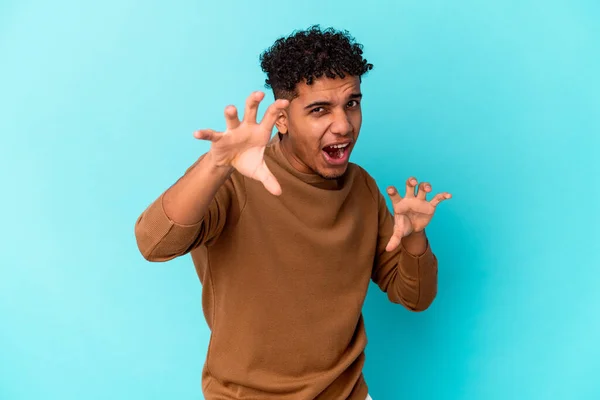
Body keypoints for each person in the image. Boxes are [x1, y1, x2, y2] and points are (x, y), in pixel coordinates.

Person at [134, 25, 451, 400]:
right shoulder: (234, 180)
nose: (344, 125)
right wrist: (217, 165)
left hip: (346, 393)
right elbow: (153, 244)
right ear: (281, 119)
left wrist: (415, 237)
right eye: (320, 110)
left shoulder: (362, 187)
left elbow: (415, 297)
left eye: (352, 103)